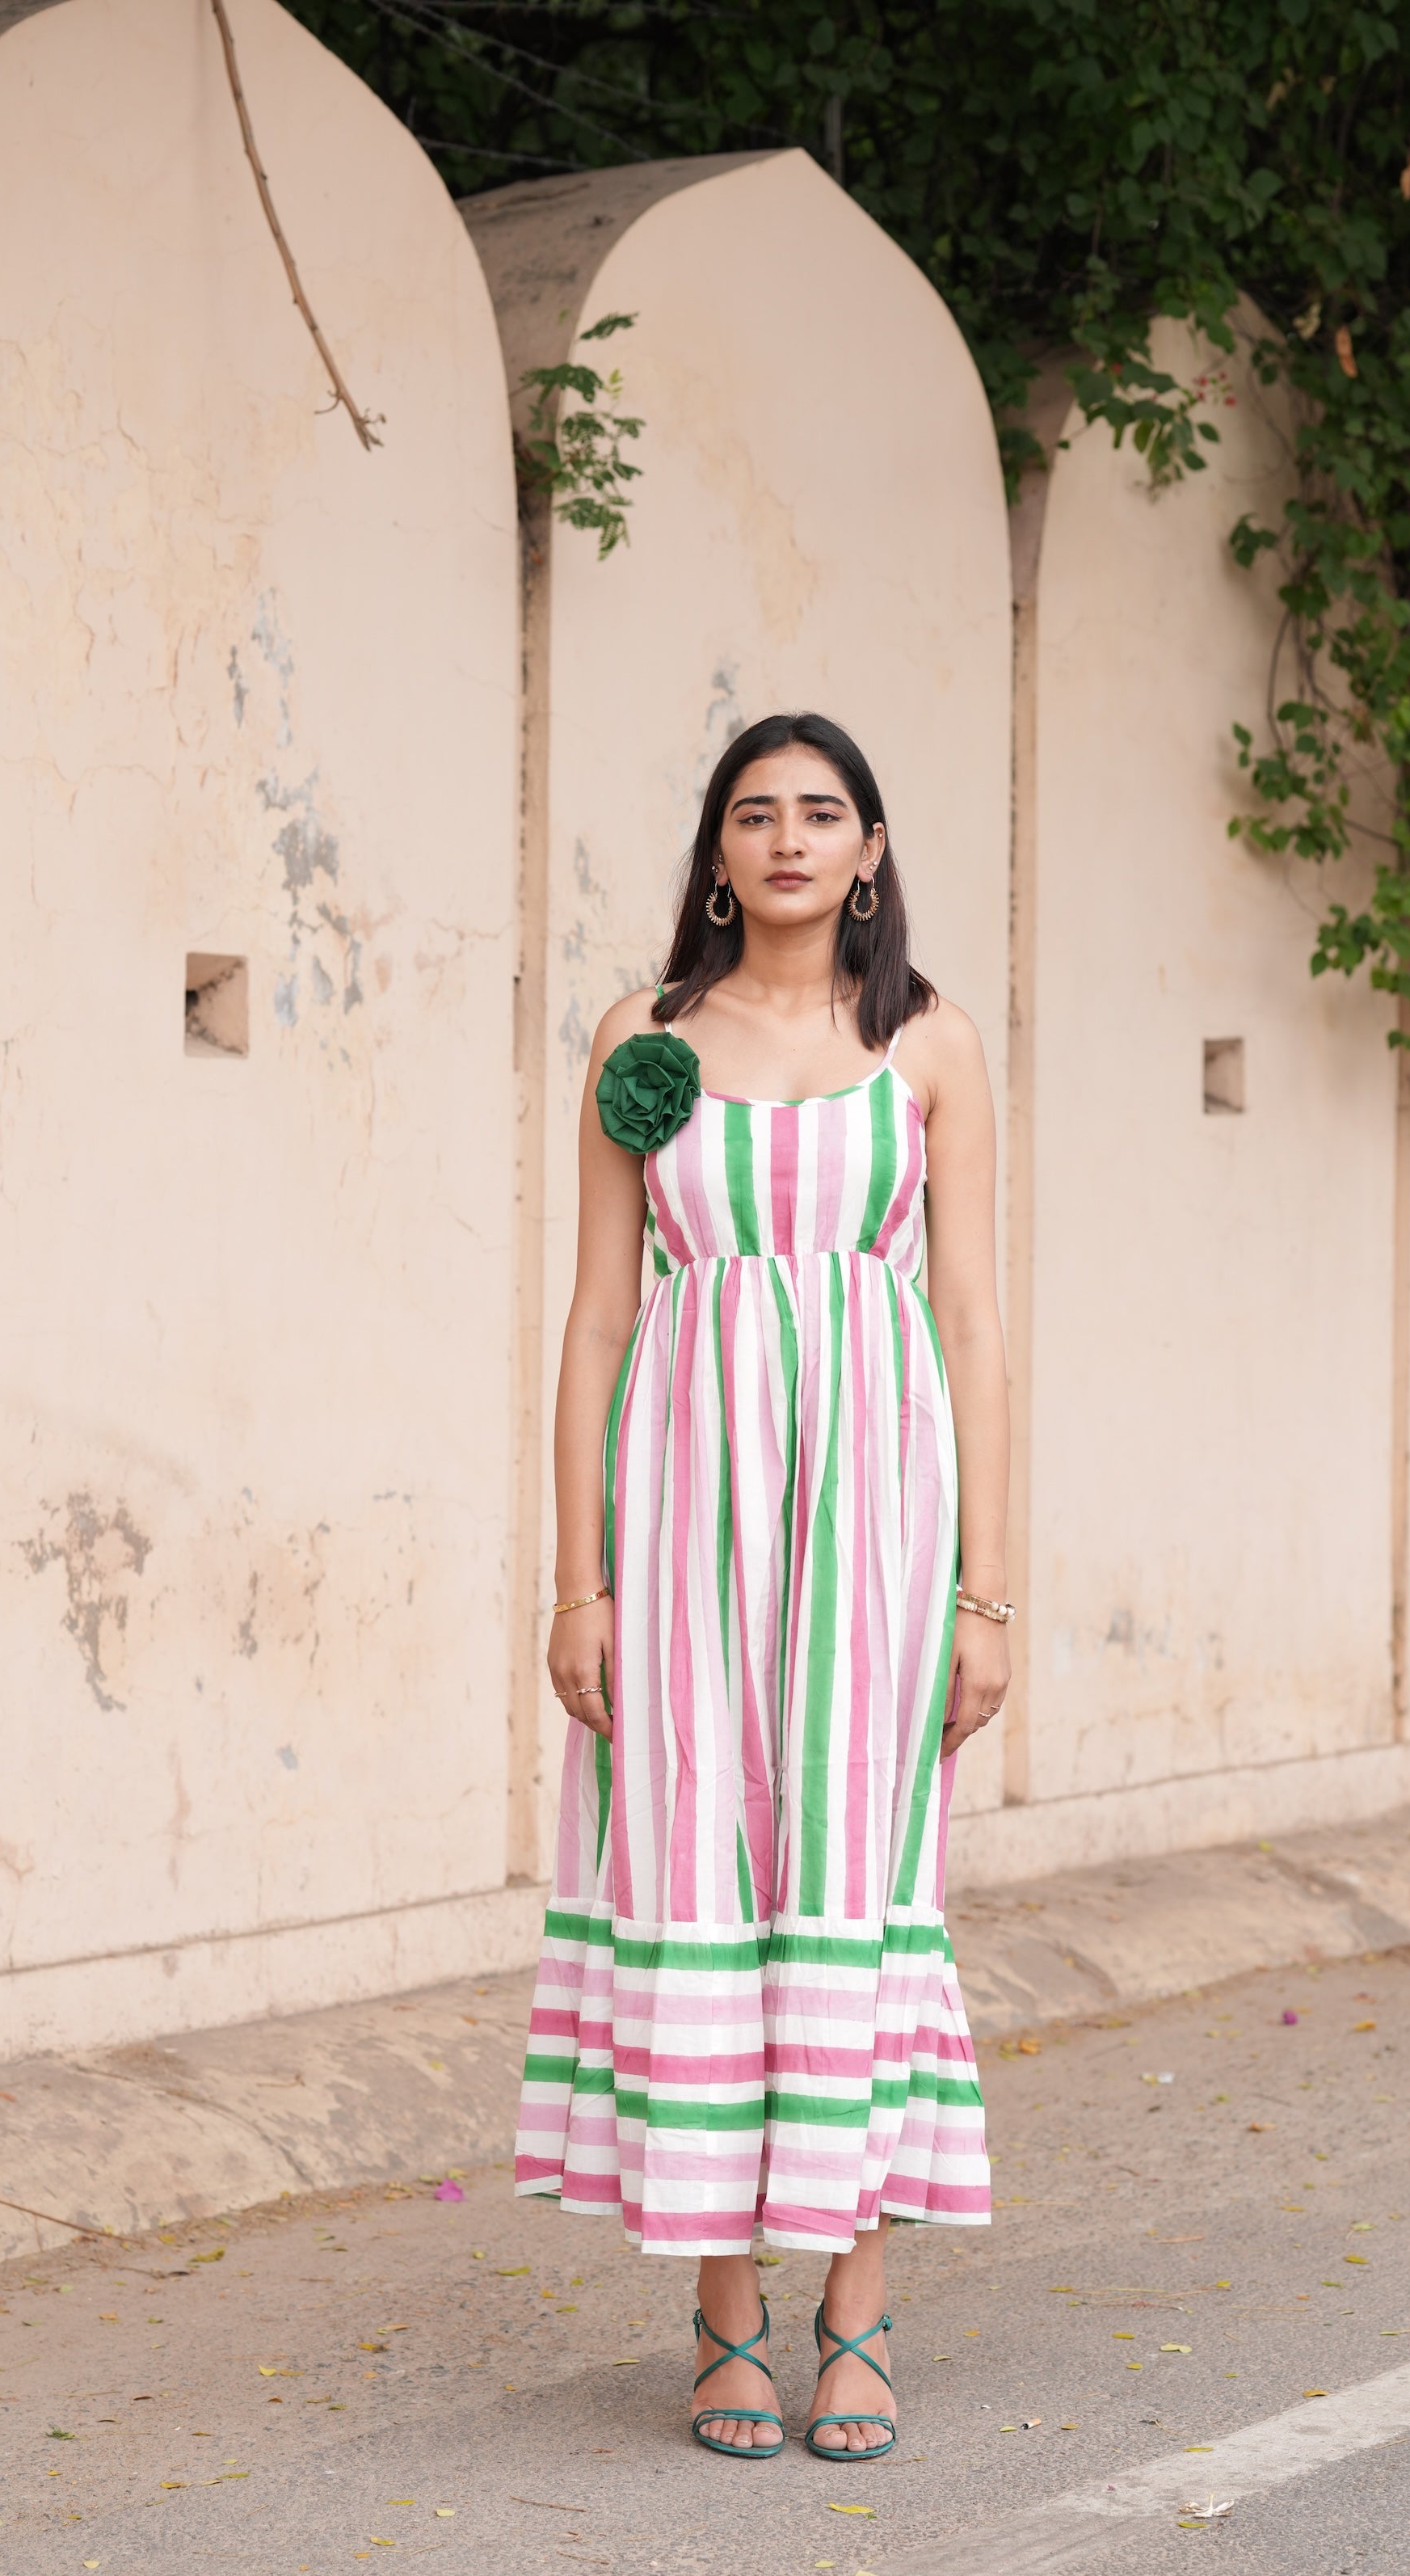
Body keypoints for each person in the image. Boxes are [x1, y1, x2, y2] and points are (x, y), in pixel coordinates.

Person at [516, 711, 1010, 2461]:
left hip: (877, 1518)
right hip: (680, 1517)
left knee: (859, 1874)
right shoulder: (638, 1042)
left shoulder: (930, 1046)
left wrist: (986, 1590)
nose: (788, 839)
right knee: (701, 1855)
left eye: (822, 813)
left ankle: (857, 2309)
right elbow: (596, 1314)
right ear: (716, 852)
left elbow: (967, 1322)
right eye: (754, 813)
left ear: (869, 848)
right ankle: (724, 2313)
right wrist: (574, 1578)